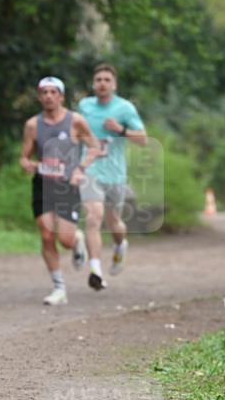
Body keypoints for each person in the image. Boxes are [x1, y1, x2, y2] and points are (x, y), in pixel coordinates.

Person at [20, 77, 99, 305]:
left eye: (53, 92)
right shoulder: (33, 125)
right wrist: (26, 164)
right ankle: (59, 289)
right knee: (46, 235)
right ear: (39, 96)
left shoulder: (75, 121)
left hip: (67, 185)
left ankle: (76, 241)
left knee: (64, 239)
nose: (48, 96)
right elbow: (24, 156)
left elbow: (94, 147)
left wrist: (80, 169)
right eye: (44, 92)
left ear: (61, 96)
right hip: (43, 183)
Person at [78, 63, 147, 290]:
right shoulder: (85, 106)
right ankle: (95, 270)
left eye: (107, 80)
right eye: (98, 80)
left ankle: (120, 245)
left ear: (114, 85)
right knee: (93, 216)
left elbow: (143, 139)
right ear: (93, 84)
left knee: (113, 221)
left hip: (115, 173)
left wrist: (121, 130)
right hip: (90, 170)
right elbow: (75, 130)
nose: (102, 83)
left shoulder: (124, 108)